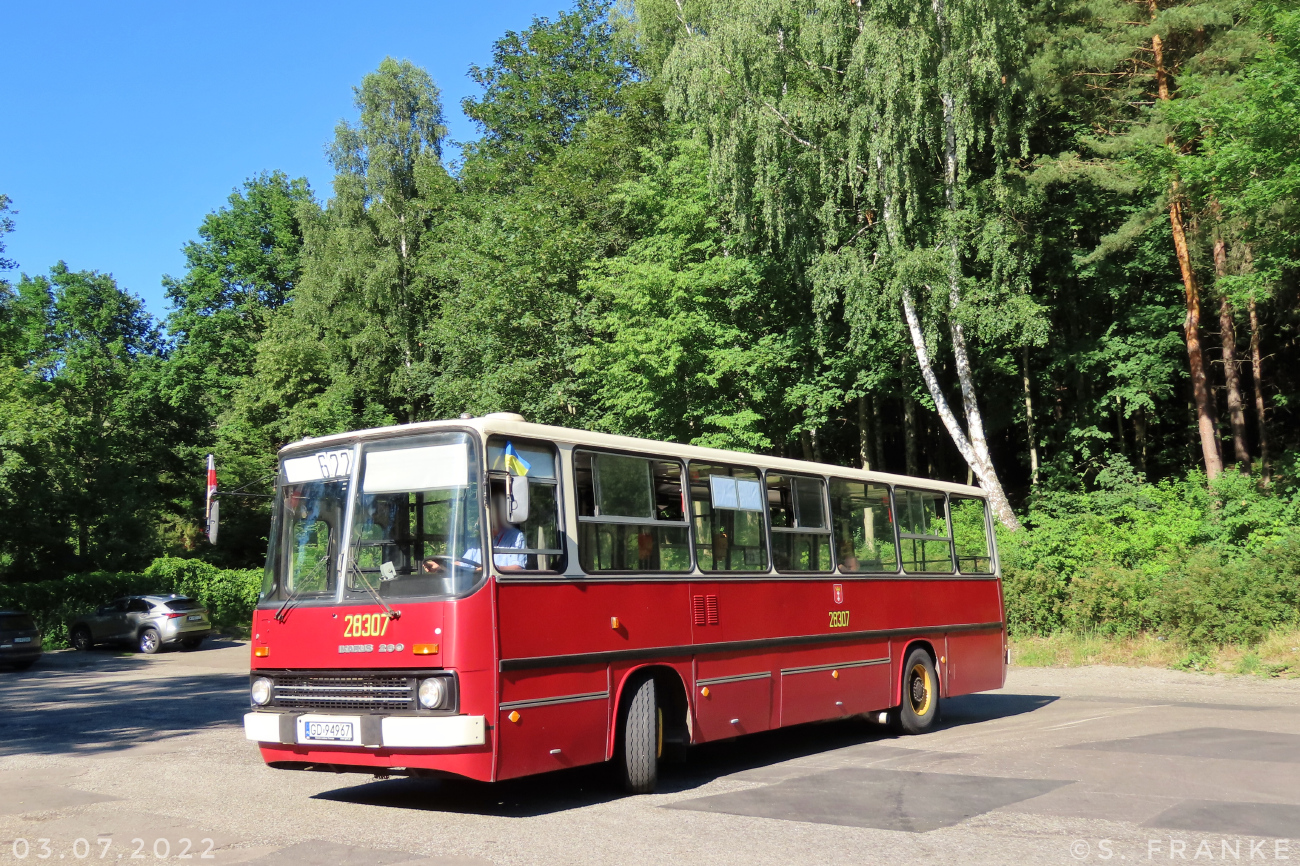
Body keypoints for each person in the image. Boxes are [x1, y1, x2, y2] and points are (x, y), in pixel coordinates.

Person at [422, 490, 526, 573]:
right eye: (482, 515)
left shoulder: (515, 536)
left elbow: (518, 567)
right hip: (475, 585)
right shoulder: (480, 539)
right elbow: (464, 563)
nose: (481, 520)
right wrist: (440, 566)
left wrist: (494, 568)